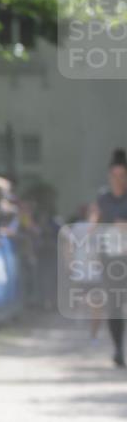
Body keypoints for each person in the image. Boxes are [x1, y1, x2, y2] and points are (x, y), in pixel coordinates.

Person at [96, 149, 127, 367]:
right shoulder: (103, 198)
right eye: (115, 175)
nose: (118, 179)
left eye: (122, 175)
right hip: (112, 258)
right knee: (114, 304)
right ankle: (118, 349)